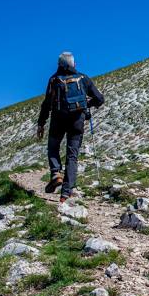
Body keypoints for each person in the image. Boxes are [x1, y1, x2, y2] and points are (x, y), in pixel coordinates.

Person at [37, 52, 104, 203]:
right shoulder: (82, 78)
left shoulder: (54, 79)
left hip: (57, 120)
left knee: (53, 147)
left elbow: (47, 104)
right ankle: (65, 194)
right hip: (77, 122)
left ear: (60, 65)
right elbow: (100, 98)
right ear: (73, 64)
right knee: (72, 156)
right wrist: (87, 104)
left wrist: (41, 123)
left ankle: (55, 173)